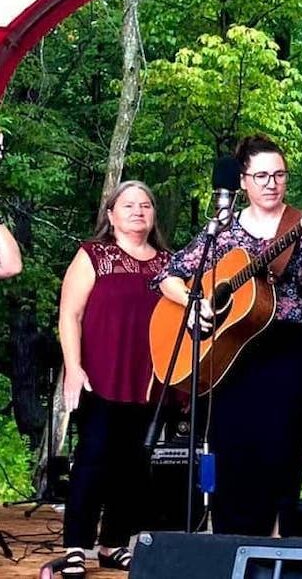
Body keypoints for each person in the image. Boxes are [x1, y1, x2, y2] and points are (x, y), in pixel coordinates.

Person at [154, 134, 302, 537]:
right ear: (243, 182)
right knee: (234, 447)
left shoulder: (300, 223)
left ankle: (278, 544)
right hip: (231, 353)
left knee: (283, 448)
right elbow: (167, 275)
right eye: (261, 175)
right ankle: (233, 541)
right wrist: (195, 302)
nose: (271, 183)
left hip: (287, 348)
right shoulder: (222, 233)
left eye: (279, 175)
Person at [58, 181, 171, 576]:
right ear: (110, 214)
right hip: (101, 373)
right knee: (93, 458)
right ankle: (76, 545)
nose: (138, 211)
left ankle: (113, 543)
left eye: (145, 205)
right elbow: (69, 314)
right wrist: (74, 368)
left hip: (149, 379)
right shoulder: (94, 255)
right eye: (128, 205)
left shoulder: (167, 264)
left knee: (133, 464)